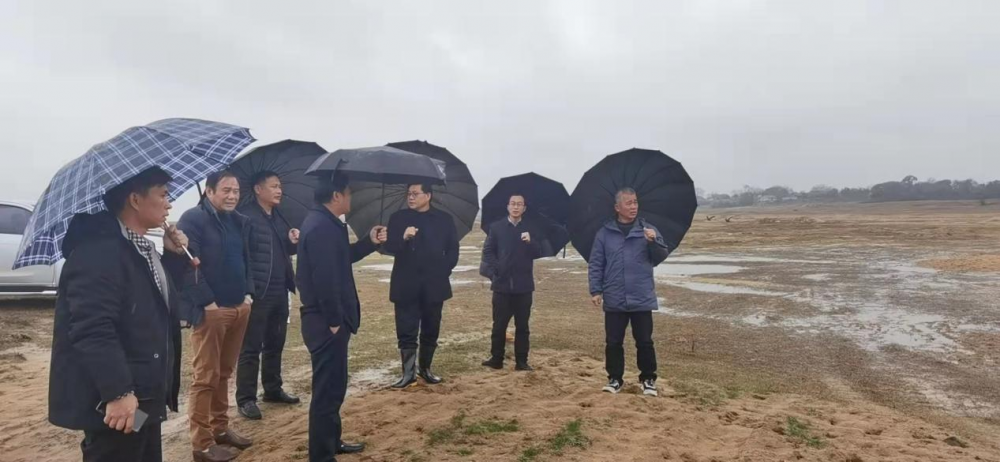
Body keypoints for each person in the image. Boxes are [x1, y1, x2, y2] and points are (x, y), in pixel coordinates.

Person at [48, 167, 189, 462]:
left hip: (143, 393)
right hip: (118, 401)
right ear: (135, 200)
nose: (169, 204)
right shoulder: (99, 252)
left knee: (142, 452)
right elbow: (93, 328)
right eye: (163, 195)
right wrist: (118, 393)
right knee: (117, 452)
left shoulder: (137, 247)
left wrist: (174, 258)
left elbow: (157, 305)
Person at [297, 174, 387, 462]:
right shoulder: (320, 226)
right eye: (348, 193)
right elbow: (324, 279)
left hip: (331, 321)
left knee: (335, 387)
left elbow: (341, 257)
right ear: (336, 195)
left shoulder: (327, 223)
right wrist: (335, 321)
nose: (351, 198)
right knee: (326, 392)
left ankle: (332, 441)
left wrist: (368, 242)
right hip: (326, 322)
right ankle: (321, 456)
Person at [176, 170, 256, 462]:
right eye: (226, 190)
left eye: (236, 190)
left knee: (224, 373)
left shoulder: (237, 221)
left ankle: (220, 428)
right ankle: (202, 443)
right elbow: (187, 265)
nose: (233, 196)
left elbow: (246, 260)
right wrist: (207, 302)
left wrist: (248, 294)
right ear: (209, 191)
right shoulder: (193, 219)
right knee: (205, 377)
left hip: (239, 307)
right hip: (211, 312)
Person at [587, 187, 672, 397]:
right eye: (628, 203)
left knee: (644, 341)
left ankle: (648, 379)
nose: (633, 206)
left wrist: (653, 242)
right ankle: (615, 379)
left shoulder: (647, 230)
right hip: (614, 296)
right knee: (613, 342)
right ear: (617, 207)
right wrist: (596, 290)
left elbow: (660, 257)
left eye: (635, 202)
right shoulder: (604, 233)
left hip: (641, 295)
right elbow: (596, 263)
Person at [236, 171, 300, 421]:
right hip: (258, 292)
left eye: (280, 186)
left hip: (280, 289)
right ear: (258, 189)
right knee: (251, 347)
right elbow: (242, 256)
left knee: (275, 343)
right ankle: (246, 399)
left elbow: (283, 250)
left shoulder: (279, 217)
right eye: (274, 186)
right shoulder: (246, 217)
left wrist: (292, 241)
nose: (279, 190)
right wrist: (248, 289)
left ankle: (273, 389)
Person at [383, 183, 459, 388]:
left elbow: (453, 249)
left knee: (431, 328)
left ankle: (425, 368)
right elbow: (389, 247)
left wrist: (443, 270)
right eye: (409, 194)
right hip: (405, 284)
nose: (411, 197)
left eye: (415, 194)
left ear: (428, 195)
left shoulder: (444, 219)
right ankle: (408, 373)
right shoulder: (398, 218)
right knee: (406, 330)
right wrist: (404, 237)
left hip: (434, 284)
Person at [479, 193, 549, 371]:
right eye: (513, 203)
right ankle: (496, 358)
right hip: (501, 286)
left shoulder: (530, 228)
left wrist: (530, 242)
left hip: (523, 286)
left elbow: (539, 252)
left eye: (519, 204)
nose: (516, 207)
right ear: (508, 206)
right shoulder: (497, 227)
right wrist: (497, 269)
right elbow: (488, 251)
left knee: (522, 326)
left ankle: (522, 361)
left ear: (524, 208)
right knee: (499, 325)